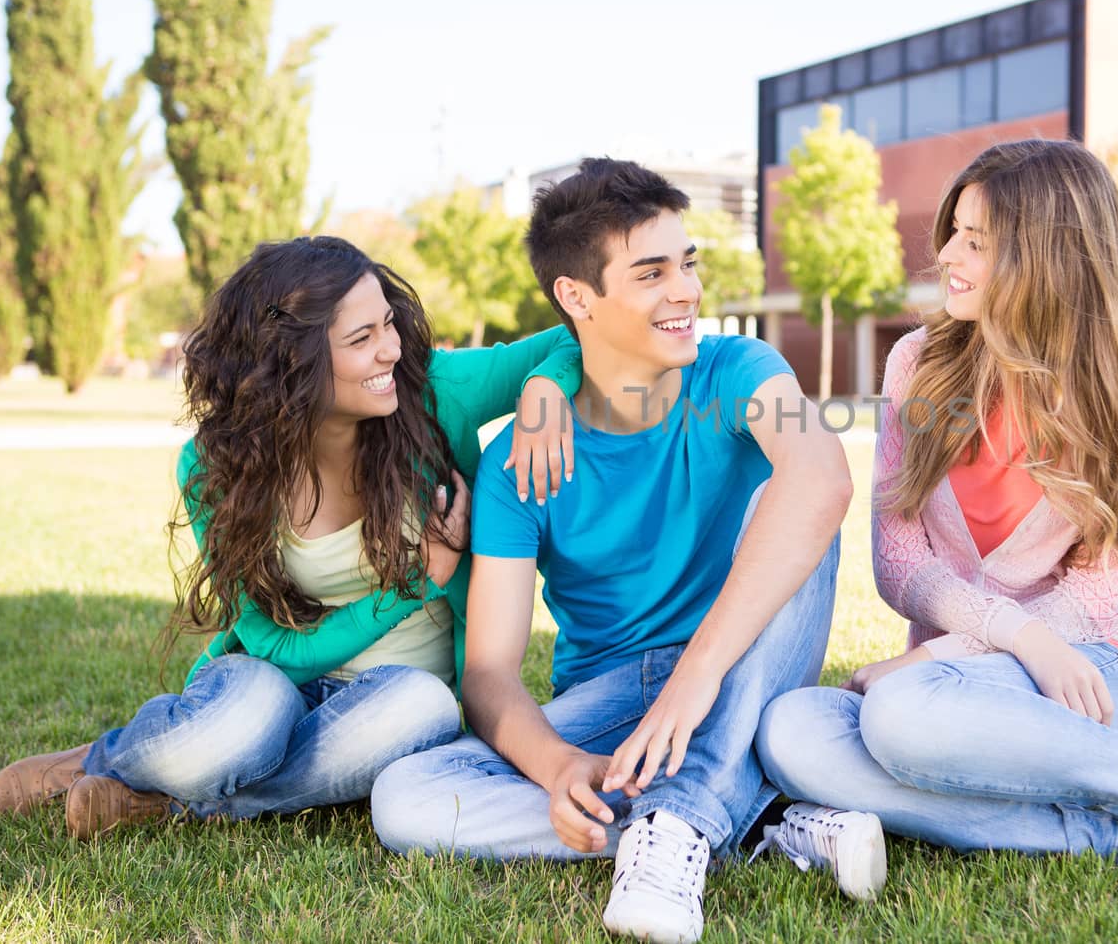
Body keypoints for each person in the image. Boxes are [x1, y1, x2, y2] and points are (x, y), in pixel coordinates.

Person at [756, 140, 1118, 884]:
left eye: (977, 241)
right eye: (953, 232)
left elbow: (1100, 591)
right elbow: (898, 562)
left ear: (1047, 256)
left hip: (1078, 679)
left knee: (899, 715)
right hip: (953, 700)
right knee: (791, 730)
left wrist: (948, 653)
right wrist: (1006, 638)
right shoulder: (916, 362)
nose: (946, 255)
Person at [371, 159, 875, 944]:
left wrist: (696, 678)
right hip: (614, 696)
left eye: (687, 263)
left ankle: (675, 824)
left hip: (740, 662)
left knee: (799, 500)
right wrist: (558, 767)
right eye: (651, 272)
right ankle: (762, 816)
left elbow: (822, 483)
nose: (686, 291)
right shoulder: (517, 466)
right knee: (409, 797)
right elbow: (491, 673)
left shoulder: (738, 372)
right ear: (578, 297)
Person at [0, 236, 581, 840]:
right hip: (273, 683)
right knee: (242, 721)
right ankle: (99, 760)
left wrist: (544, 388)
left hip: (392, 700)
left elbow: (571, 337)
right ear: (291, 362)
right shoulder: (216, 468)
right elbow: (271, 646)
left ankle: (171, 801)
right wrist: (421, 577)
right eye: (361, 339)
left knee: (421, 708)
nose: (391, 350)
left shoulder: (434, 394)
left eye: (388, 325)